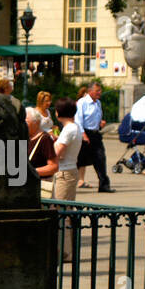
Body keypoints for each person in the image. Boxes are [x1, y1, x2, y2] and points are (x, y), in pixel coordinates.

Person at [53, 97, 83, 260]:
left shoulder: (69, 129)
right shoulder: (73, 128)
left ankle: (65, 252)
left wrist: (53, 144)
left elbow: (59, 152)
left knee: (61, 213)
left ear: (58, 113)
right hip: (69, 170)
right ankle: (66, 250)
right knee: (64, 212)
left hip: (65, 172)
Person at [75, 80, 111, 192]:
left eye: (100, 90)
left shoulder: (98, 103)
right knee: (79, 160)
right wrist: (83, 134)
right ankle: (64, 180)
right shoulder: (82, 103)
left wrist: (100, 124)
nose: (99, 93)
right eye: (97, 91)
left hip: (95, 134)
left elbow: (96, 118)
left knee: (100, 158)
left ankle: (104, 185)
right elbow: (78, 119)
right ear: (90, 91)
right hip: (85, 134)